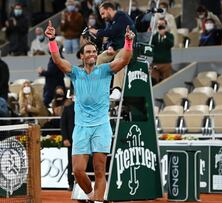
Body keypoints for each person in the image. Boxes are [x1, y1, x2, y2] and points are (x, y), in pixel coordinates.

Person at [44, 19, 134, 201]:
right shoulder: (76, 73)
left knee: (100, 170)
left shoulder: (105, 70)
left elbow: (124, 59)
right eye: (88, 52)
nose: (92, 54)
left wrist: (128, 42)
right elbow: (58, 61)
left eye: (94, 51)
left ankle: (98, 201)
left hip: (101, 126)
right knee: (77, 171)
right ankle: (92, 196)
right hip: (81, 128)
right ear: (82, 56)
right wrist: (52, 40)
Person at [89, 2, 135, 101]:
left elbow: (113, 32)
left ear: (109, 10)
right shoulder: (110, 22)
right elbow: (111, 38)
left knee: (119, 59)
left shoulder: (122, 17)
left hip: (129, 48)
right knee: (101, 57)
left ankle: (117, 89)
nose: (102, 17)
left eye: (103, 13)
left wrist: (97, 32)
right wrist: (110, 46)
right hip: (117, 48)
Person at [151, 19, 174, 84]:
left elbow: (171, 44)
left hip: (166, 63)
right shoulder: (154, 37)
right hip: (155, 63)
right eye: (159, 24)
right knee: (154, 81)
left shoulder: (170, 36)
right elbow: (150, 45)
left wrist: (164, 35)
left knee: (166, 82)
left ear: (166, 26)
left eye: (162, 24)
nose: (160, 26)